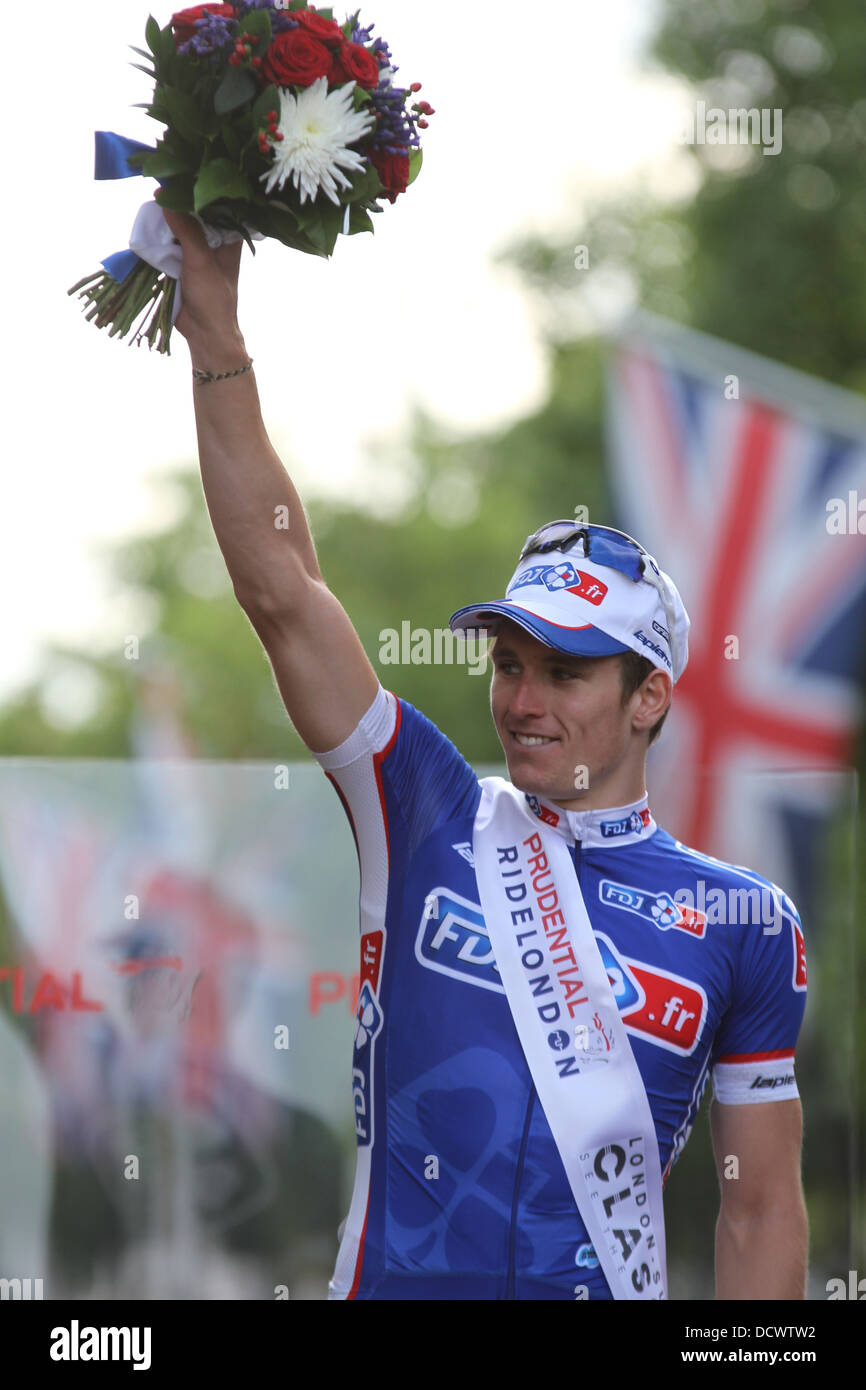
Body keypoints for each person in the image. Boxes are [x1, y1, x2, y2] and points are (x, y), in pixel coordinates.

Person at [161, 208, 809, 1301]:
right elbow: (284, 596)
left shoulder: (743, 923)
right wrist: (217, 335)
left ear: (648, 694)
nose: (521, 700)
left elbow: (758, 1212)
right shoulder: (421, 806)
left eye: (564, 672)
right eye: (508, 663)